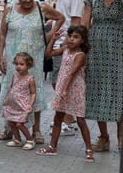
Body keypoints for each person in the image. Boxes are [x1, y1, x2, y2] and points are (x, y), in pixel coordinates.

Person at [0, 0, 65, 144]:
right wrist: (0, 56)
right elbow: (2, 33)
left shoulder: (42, 7)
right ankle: (8, 127)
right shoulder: (10, 7)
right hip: (13, 56)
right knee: (11, 91)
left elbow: (60, 18)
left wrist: (50, 36)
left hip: (34, 57)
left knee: (34, 90)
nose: (28, 0)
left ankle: (36, 130)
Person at [83, 0, 123, 153]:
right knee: (97, 90)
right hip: (97, 48)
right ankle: (104, 137)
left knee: (119, 92)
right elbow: (85, 24)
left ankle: (122, 137)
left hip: (119, 49)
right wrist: (83, 50)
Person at [40, 26, 95, 160]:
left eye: (76, 37)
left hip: (74, 89)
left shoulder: (80, 55)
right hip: (63, 87)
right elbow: (48, 54)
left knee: (80, 119)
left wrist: (64, 89)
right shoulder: (65, 49)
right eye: (70, 36)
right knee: (58, 117)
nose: (71, 39)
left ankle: (89, 149)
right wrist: (53, 40)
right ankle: (52, 146)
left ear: (82, 40)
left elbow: (71, 72)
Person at [47, 0, 85, 136]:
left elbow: (76, 22)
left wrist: (69, 44)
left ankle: (68, 121)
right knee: (57, 81)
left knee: (63, 82)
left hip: (65, 46)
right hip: (57, 42)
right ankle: (66, 118)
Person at [1, 52, 39, 150]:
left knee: (19, 123)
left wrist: (30, 104)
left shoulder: (30, 79)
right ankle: (17, 139)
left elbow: (33, 93)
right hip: (13, 105)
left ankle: (30, 140)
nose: (18, 66)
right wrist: (7, 98)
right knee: (12, 122)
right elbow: (12, 87)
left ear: (28, 65)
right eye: (17, 64)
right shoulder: (15, 76)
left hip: (23, 106)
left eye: (21, 64)